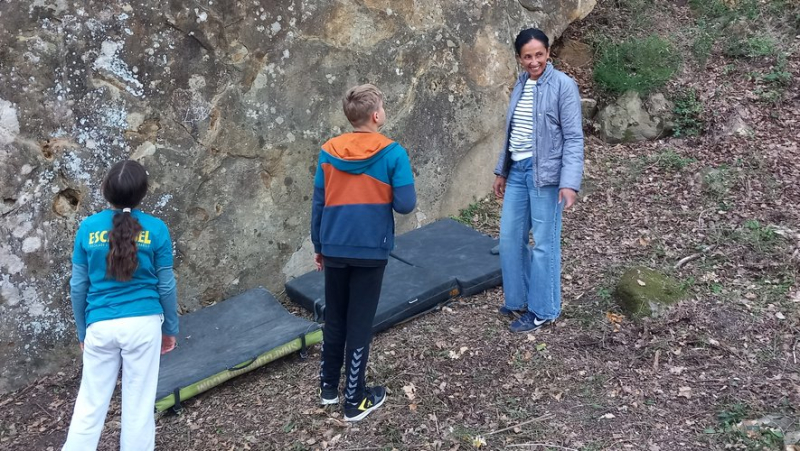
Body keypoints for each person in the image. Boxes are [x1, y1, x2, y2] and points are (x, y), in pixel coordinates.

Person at [311, 84, 416, 422]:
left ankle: (328, 387)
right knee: (359, 322)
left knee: (335, 315)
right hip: (371, 249)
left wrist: (319, 246)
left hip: (334, 245)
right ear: (375, 115)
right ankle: (354, 399)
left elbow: (318, 204)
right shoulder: (394, 153)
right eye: (383, 106)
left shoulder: (328, 151)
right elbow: (405, 204)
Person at [63, 160, 179, 451]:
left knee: (90, 404)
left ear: (105, 191)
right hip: (144, 324)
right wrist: (172, 328)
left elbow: (78, 286)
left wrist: (82, 331)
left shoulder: (87, 228)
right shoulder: (157, 229)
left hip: (100, 325)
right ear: (142, 194)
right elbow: (166, 285)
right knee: (139, 405)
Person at [492, 28, 584, 333]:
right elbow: (512, 133)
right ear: (519, 58)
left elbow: (573, 137)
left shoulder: (563, 86)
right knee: (509, 239)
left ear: (548, 53)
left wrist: (569, 182)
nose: (534, 61)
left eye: (539, 54)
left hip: (546, 176)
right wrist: (501, 171)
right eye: (528, 56)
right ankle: (519, 299)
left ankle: (544, 309)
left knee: (545, 245)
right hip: (518, 171)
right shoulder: (520, 85)